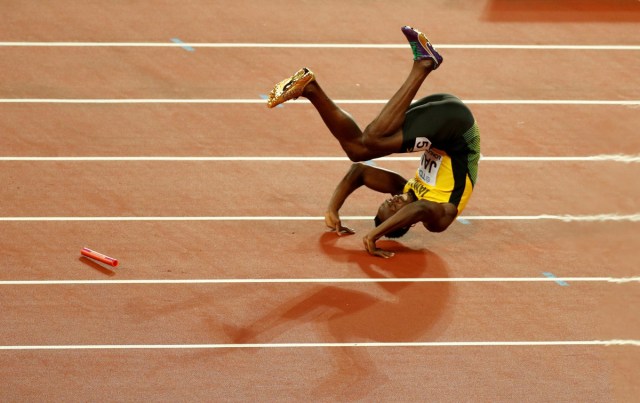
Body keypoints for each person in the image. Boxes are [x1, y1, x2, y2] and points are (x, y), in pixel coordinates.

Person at [266, 26, 480, 258]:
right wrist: (373, 235)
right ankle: (424, 64)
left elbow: (359, 172)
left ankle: (310, 88)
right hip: (457, 130)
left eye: (388, 203)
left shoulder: (407, 189)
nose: (394, 200)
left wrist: (333, 208)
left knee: (357, 149)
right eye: (394, 209)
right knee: (371, 140)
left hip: (442, 118)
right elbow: (420, 209)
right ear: (406, 222)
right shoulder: (439, 218)